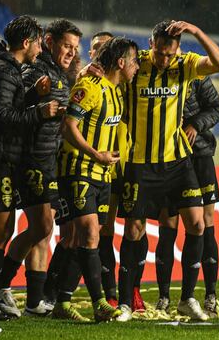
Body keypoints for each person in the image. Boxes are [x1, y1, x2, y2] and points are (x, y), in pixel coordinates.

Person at [116, 20, 219, 322]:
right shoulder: (136, 65)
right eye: (161, 53)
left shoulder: (185, 65)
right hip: (140, 162)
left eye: (170, 53)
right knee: (134, 230)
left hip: (178, 162)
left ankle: (187, 299)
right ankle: (125, 303)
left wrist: (197, 32)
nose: (165, 59)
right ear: (151, 45)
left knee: (197, 224)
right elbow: (108, 74)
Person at [0, 15, 56, 320]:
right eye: (38, 42)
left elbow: (9, 108)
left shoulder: (8, 70)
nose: (40, 50)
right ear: (27, 42)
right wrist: (39, 112)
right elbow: (1, 118)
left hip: (1, 157)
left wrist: (33, 95)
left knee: (3, 229)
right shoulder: (3, 71)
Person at [0, 19, 82, 317]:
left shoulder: (58, 72)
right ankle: (0, 285)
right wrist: (37, 103)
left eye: (75, 48)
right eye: (67, 46)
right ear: (49, 41)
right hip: (31, 159)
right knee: (42, 226)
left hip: (49, 159)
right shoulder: (34, 70)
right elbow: (18, 110)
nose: (71, 52)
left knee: (44, 232)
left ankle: (33, 302)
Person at [53, 36, 139, 322]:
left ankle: (62, 303)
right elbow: (68, 126)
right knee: (89, 233)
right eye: (134, 61)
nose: (137, 67)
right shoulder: (90, 87)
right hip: (79, 169)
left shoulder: (116, 91)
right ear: (120, 62)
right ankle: (100, 302)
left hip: (104, 174)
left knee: (84, 238)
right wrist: (95, 153)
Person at [155, 75, 219, 316]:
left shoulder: (196, 72)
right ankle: (164, 296)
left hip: (200, 154)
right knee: (168, 221)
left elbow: (217, 107)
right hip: (168, 157)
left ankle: (211, 294)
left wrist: (195, 124)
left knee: (205, 222)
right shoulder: (154, 72)